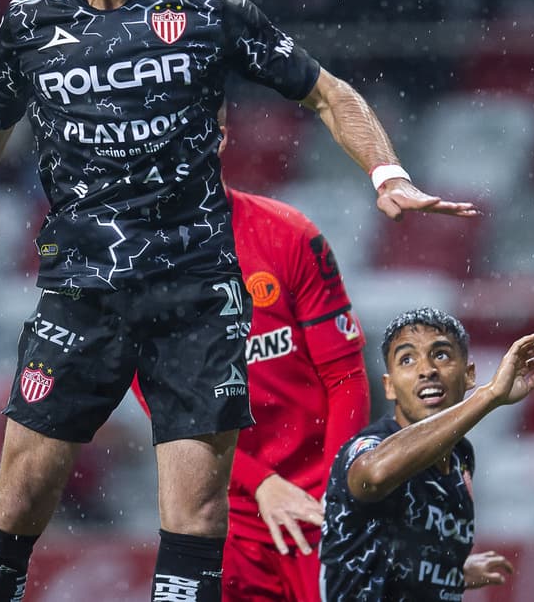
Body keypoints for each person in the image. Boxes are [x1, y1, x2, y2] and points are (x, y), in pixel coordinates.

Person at [0, 0, 477, 602]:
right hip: (83, 295)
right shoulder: (29, 25)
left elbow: (327, 91)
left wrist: (386, 172)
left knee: (194, 515)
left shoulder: (208, 11)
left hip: (197, 298)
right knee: (20, 495)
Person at [132, 106, 372, 601]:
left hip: (320, 506)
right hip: (222, 517)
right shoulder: (134, 267)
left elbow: (345, 376)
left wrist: (338, 493)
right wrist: (260, 484)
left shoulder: (290, 236)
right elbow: (166, 408)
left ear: (218, 137)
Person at [319, 308, 534, 601]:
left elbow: (403, 544)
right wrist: (489, 396)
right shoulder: (369, 446)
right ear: (389, 386)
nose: (427, 370)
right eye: (407, 359)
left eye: (441, 355)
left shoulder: (461, 456)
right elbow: (374, 476)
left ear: (468, 374)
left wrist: (449, 571)